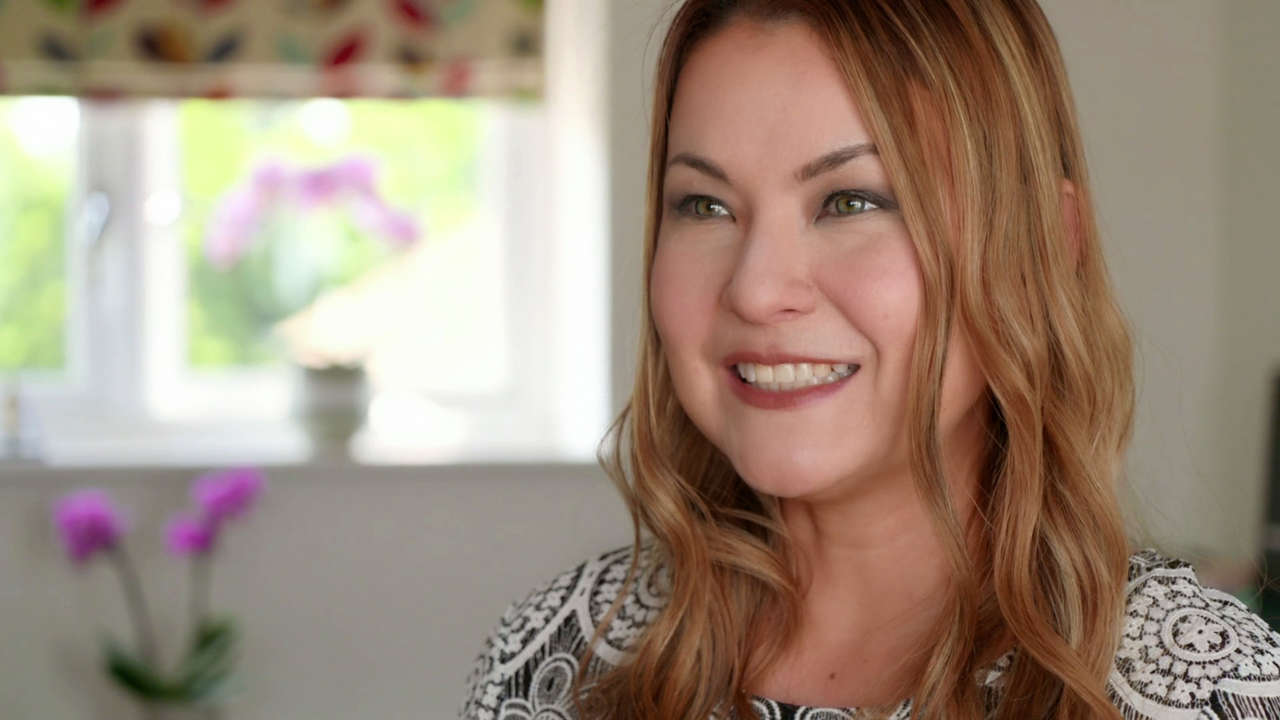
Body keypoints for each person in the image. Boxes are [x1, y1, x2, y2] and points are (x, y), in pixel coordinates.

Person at [460, 1, 1280, 718]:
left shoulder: (1198, 691)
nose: (756, 290)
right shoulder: (553, 660)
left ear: (1042, 243)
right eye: (705, 205)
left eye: (851, 201)